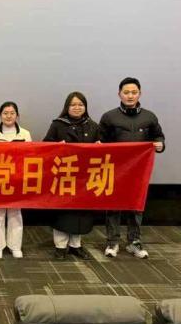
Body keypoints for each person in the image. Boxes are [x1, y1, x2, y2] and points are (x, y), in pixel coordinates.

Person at [99, 77, 165, 259]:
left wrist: (160, 145)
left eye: (134, 92)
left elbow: (159, 137)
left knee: (136, 206)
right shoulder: (109, 117)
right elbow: (100, 141)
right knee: (113, 205)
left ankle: (134, 242)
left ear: (140, 94)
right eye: (126, 92)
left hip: (138, 171)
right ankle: (112, 242)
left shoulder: (149, 117)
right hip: (115, 170)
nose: (130, 96)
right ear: (119, 94)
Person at [43, 92, 101, 260]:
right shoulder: (58, 124)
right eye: (73, 105)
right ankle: (60, 247)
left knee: (80, 212)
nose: (77, 108)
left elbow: (101, 148)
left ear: (85, 107)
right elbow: (45, 146)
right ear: (67, 107)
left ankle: (76, 245)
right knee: (63, 212)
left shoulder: (93, 126)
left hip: (84, 177)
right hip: (64, 176)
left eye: (80, 105)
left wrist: (99, 146)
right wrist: (55, 146)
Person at [0, 102, 31, 259]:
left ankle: (15, 246)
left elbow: (31, 156)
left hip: (17, 179)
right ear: (0, 115)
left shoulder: (25, 134)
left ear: (17, 115)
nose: (9, 116)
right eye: (5, 113)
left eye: (12, 113)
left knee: (15, 213)